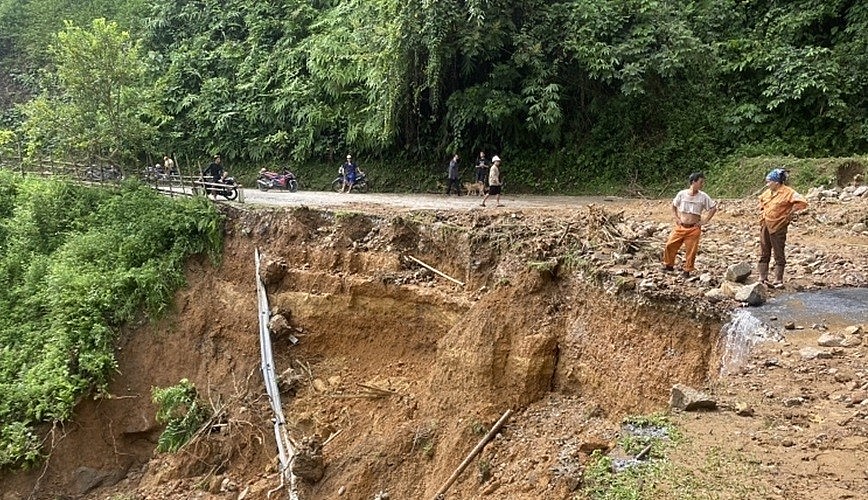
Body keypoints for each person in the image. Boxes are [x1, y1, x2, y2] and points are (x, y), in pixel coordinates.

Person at [757, 168, 807, 288]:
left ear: (776, 182)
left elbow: (803, 202)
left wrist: (791, 212)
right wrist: (762, 211)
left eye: (769, 182)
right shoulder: (768, 192)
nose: (767, 184)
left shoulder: (788, 192)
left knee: (778, 252)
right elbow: (761, 200)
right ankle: (762, 277)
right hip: (766, 224)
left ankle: (778, 280)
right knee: (764, 251)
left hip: (779, 226)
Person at [662, 172, 718, 278]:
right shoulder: (682, 194)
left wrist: (705, 221)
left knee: (691, 250)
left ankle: (687, 270)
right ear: (693, 182)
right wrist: (676, 218)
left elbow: (713, 208)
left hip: (693, 228)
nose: (702, 185)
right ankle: (668, 265)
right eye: (700, 182)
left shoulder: (703, 196)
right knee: (670, 244)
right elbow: (673, 205)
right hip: (681, 226)